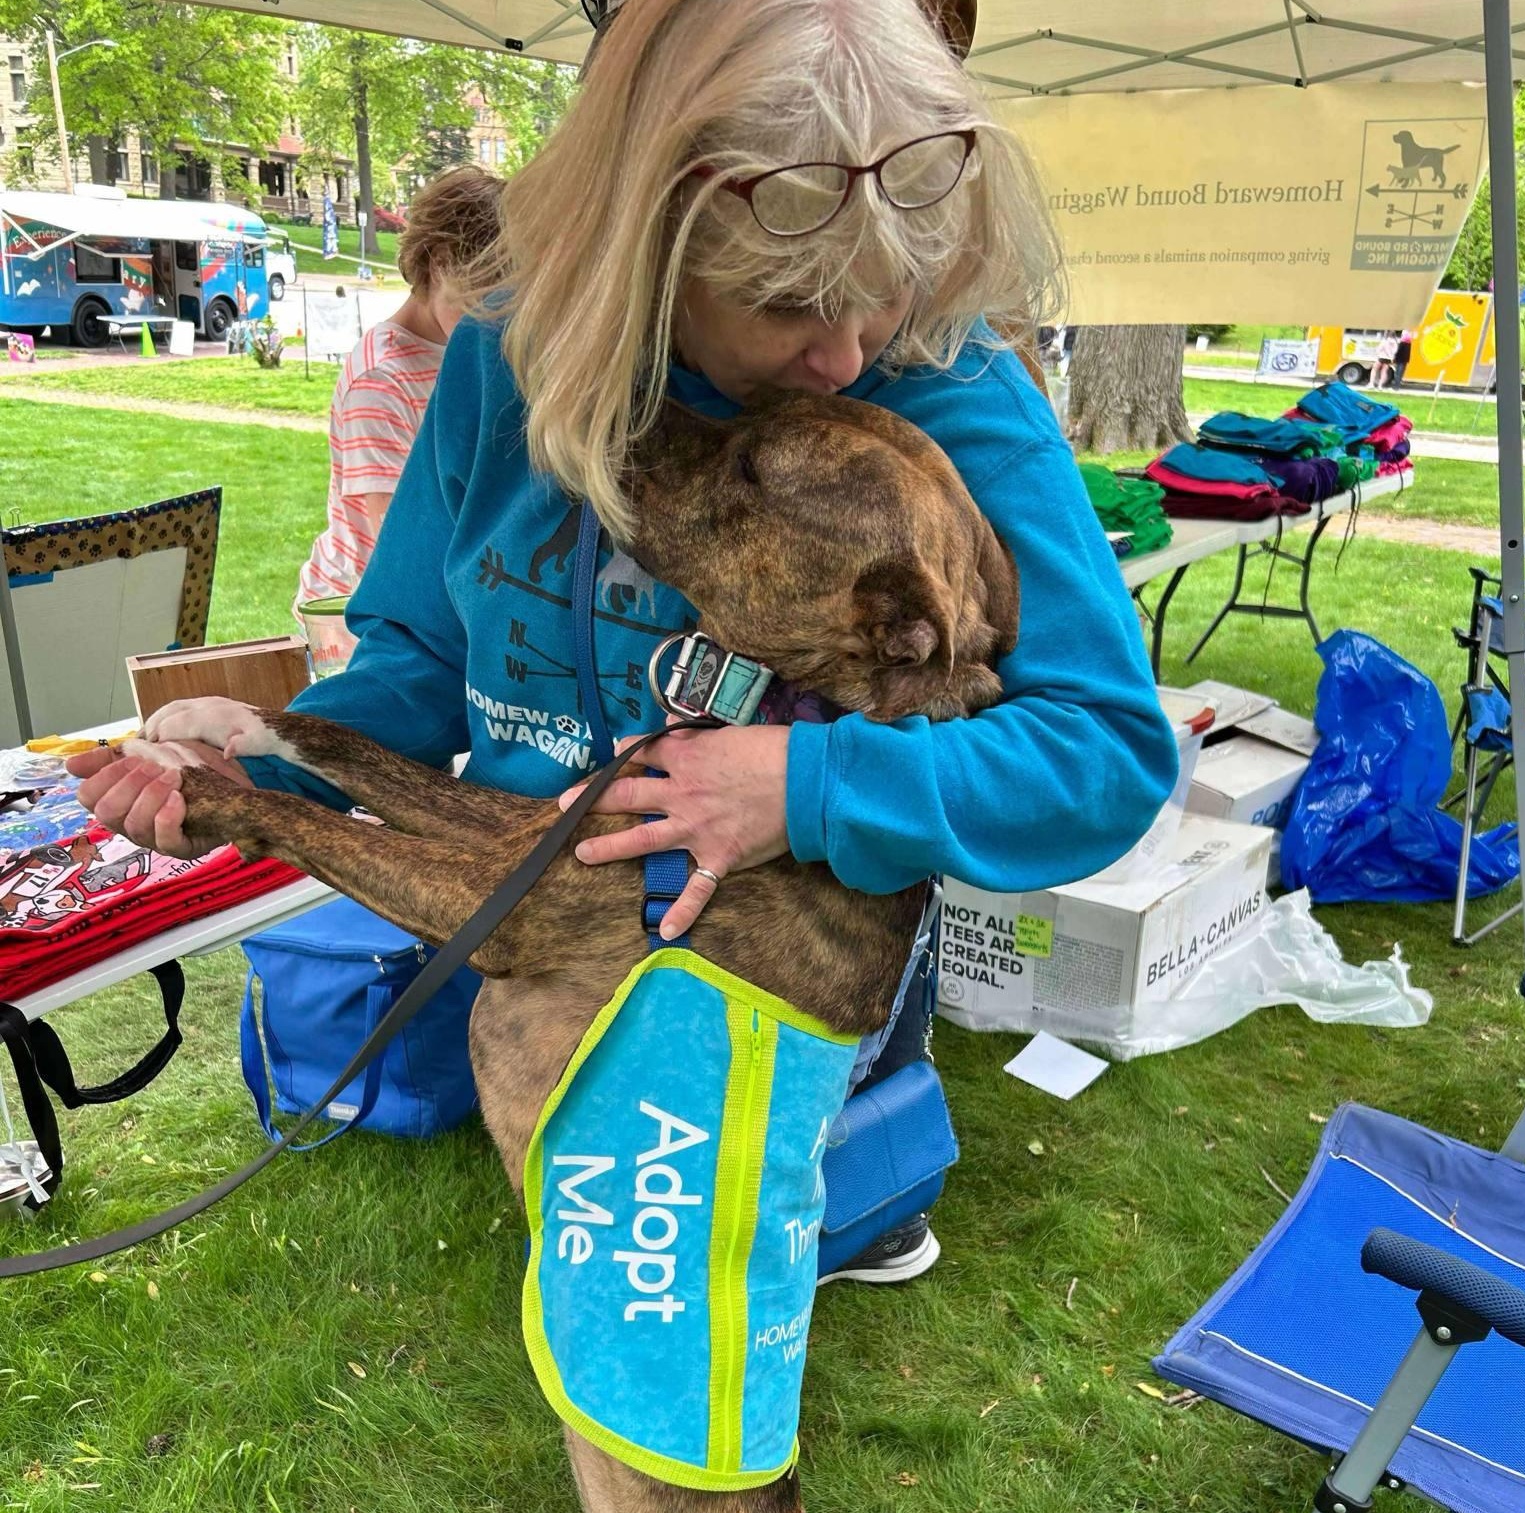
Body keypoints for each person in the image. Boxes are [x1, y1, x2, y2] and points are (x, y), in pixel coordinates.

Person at [77, 0, 1177, 1286]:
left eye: (883, 295)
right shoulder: (505, 352)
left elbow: (1103, 752)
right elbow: (429, 659)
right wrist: (260, 770)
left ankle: (856, 1208)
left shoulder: (949, 384)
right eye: (787, 303)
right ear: (639, 244)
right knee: (617, 1289)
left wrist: (808, 788)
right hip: (548, 957)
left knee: (707, 1334)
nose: (846, 354)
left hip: (782, 988)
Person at [293, 166, 504, 615]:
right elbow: (397, 552)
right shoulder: (381, 380)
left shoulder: (464, 351)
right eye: (485, 291)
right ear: (441, 261)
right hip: (361, 616)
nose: (495, 315)